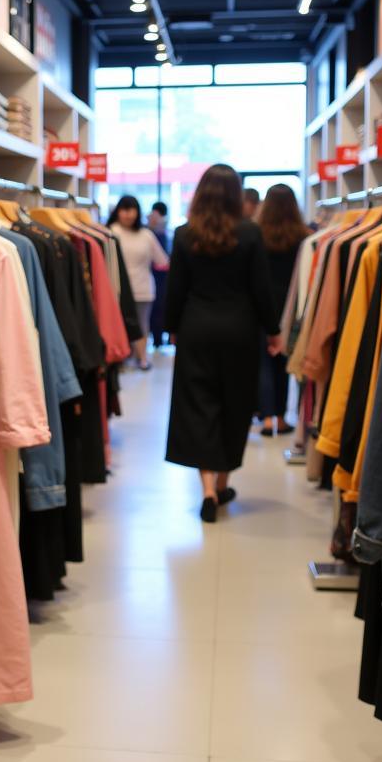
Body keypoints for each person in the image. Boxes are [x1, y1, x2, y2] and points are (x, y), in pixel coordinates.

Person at [165, 164, 282, 523]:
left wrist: (172, 329)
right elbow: (262, 289)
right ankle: (223, 480)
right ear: (235, 195)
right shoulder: (249, 233)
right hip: (239, 331)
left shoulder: (185, 235)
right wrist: (273, 330)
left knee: (198, 406)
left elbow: (175, 291)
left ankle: (207, 492)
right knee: (235, 404)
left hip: (196, 328)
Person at [255, 184, 309, 436]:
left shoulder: (256, 235)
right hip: (292, 306)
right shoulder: (304, 236)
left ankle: (266, 418)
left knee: (264, 361)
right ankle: (280, 417)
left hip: (261, 304)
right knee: (285, 361)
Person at [108, 194, 169, 370]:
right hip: (117, 289)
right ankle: (122, 358)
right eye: (124, 209)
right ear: (118, 211)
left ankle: (142, 358)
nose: (128, 214)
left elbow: (162, 260)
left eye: (132, 209)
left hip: (143, 288)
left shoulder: (146, 235)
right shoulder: (111, 232)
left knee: (142, 325)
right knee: (119, 325)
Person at [147, 202, 171, 349]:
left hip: (158, 274)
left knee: (157, 307)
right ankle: (159, 338)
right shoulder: (165, 229)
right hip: (162, 275)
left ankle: (158, 339)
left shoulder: (155, 230)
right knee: (159, 307)